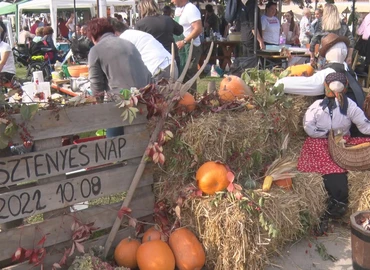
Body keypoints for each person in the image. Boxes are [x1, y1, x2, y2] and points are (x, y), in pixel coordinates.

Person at [299, 72, 370, 235]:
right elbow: (309, 128)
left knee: (344, 158)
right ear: (346, 88)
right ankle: (336, 202)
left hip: (341, 142)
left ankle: (337, 201)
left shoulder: (348, 106)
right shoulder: (317, 106)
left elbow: (364, 126)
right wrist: (326, 134)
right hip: (320, 142)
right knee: (333, 169)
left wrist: (335, 137)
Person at [87, 18, 151, 97]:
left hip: (124, 100)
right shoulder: (129, 43)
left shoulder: (95, 50)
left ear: (93, 38)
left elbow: (96, 88)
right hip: (147, 95)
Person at [111, 19, 177, 80]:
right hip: (171, 65)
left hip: (157, 69)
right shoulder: (133, 33)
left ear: (115, 32)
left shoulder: (123, 39)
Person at [135, 0, 183, 73]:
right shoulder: (167, 19)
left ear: (142, 9)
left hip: (153, 61)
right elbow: (180, 30)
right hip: (171, 57)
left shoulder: (140, 24)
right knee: (174, 82)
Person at [172, 0, 203, 93]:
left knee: (189, 74)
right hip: (181, 48)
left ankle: (191, 100)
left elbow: (198, 29)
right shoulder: (178, 9)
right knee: (181, 74)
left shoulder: (191, 9)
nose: (171, 1)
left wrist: (184, 41)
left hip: (191, 47)